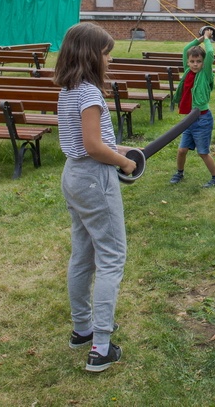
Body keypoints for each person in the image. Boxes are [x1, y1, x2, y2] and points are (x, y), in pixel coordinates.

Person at [54, 22, 137, 373]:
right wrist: (123, 162)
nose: (110, 61)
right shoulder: (89, 94)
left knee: (83, 252)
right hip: (93, 180)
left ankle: (82, 328)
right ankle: (101, 346)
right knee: (112, 256)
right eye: (107, 54)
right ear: (92, 55)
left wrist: (122, 149)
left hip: (73, 175)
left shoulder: (69, 89)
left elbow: (90, 143)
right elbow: (93, 147)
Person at [168, 27, 215, 188]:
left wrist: (207, 39)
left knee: (203, 152)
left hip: (202, 119)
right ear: (187, 62)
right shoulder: (187, 72)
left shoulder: (205, 73)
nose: (195, 64)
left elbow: (211, 55)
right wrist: (199, 39)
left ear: (203, 62)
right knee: (181, 150)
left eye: (198, 61)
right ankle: (179, 173)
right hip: (188, 120)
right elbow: (186, 49)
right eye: (192, 61)